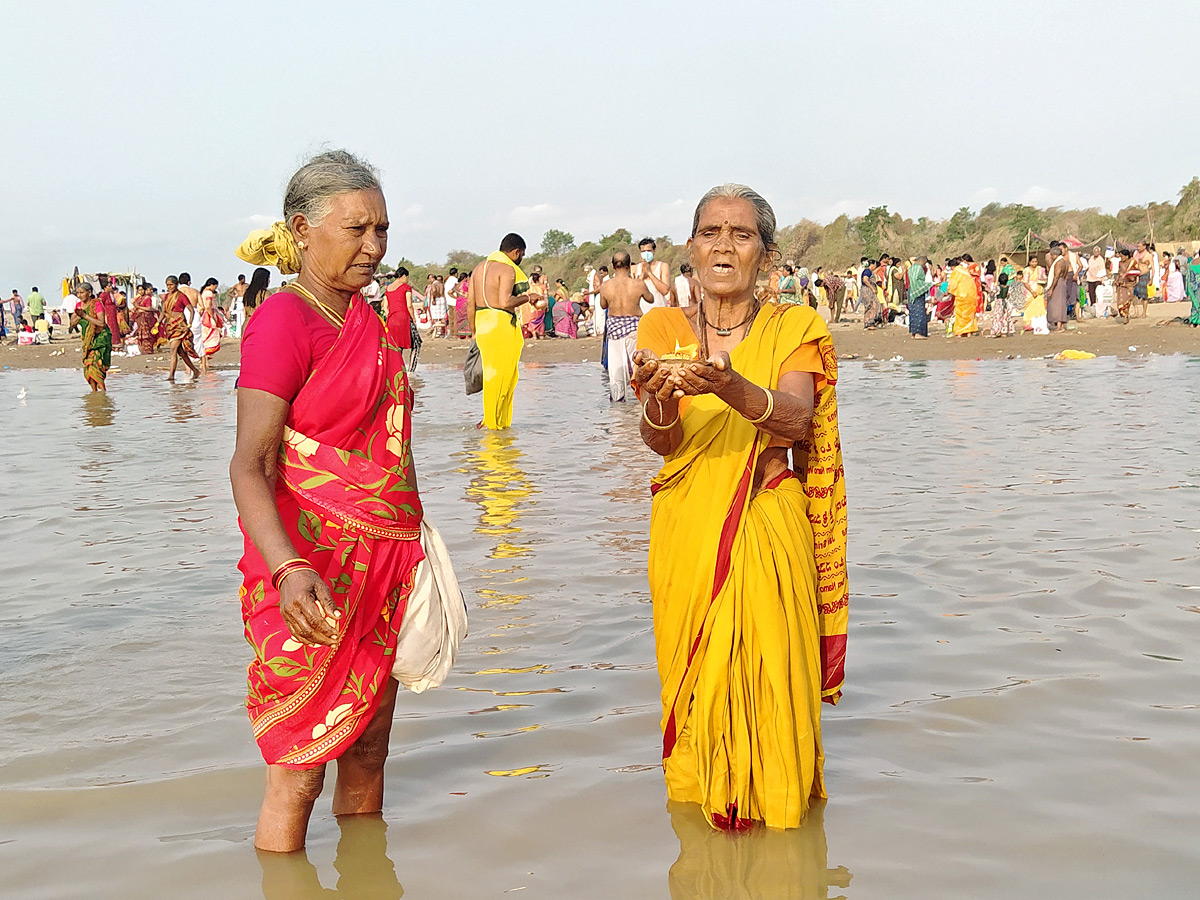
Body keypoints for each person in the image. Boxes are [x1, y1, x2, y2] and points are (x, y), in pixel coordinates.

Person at [631, 183, 847, 831]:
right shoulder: (661, 328)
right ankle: (704, 821)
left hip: (765, 517)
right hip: (685, 528)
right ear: (691, 249)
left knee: (771, 678)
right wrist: (661, 394)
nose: (724, 244)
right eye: (710, 232)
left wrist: (727, 384)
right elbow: (661, 441)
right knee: (696, 680)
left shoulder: (795, 327)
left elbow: (798, 422)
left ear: (768, 256)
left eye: (741, 234)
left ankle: (779, 830)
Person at [230, 149, 424, 854]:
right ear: (301, 229)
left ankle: (366, 874)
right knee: (299, 770)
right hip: (307, 573)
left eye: (382, 230)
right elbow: (250, 465)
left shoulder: (367, 322)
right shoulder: (285, 321)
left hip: (381, 570)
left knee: (368, 750)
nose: (373, 247)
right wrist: (286, 570)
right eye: (356, 229)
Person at [466, 233, 531, 430]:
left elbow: (470, 303)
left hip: (482, 323)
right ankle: (496, 424)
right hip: (500, 325)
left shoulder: (478, 268)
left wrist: (474, 331)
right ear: (516, 252)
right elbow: (505, 302)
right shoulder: (508, 269)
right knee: (505, 377)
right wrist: (528, 297)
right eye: (522, 255)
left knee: (491, 376)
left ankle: (489, 419)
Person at [599, 250, 653, 401]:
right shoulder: (638, 284)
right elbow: (650, 298)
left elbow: (603, 305)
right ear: (629, 265)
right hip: (634, 326)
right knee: (639, 368)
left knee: (616, 373)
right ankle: (642, 404)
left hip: (614, 328)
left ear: (612, 266)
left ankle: (617, 409)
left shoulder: (606, 285)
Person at [70, 283, 112, 391]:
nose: (79, 295)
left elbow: (101, 323)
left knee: (97, 366)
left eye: (82, 292)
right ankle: (94, 394)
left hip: (100, 339)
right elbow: (72, 324)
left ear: (89, 293)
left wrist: (85, 316)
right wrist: (78, 317)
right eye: (78, 293)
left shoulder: (96, 304)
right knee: (88, 368)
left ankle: (102, 394)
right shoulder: (78, 306)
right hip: (88, 341)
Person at [162, 275, 201, 381]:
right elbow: (164, 312)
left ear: (176, 284)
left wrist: (189, 324)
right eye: (168, 285)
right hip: (170, 325)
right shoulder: (166, 297)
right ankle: (195, 371)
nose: (169, 287)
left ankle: (171, 376)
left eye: (171, 285)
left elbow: (191, 310)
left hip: (180, 326)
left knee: (173, 349)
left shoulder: (181, 296)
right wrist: (157, 323)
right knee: (181, 353)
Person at [633, 237, 672, 313]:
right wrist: (642, 275)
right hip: (641, 313)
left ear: (654, 251)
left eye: (649, 251)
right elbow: (633, 292)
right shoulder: (634, 268)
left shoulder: (663, 266)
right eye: (643, 251)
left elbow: (665, 291)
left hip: (659, 311)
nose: (646, 253)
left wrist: (650, 273)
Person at [947, 257, 979, 336]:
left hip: (962, 295)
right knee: (970, 313)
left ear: (952, 266)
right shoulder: (965, 270)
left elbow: (952, 285)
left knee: (961, 314)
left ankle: (961, 331)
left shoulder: (956, 272)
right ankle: (969, 331)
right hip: (972, 294)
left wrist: (948, 292)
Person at [1044, 246, 1069, 333]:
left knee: (1056, 304)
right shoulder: (1065, 261)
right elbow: (1066, 276)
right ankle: (1060, 325)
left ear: (1055, 255)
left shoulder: (1059, 262)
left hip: (1058, 283)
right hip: (1062, 282)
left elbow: (1056, 276)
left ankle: (1059, 326)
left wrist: (1051, 288)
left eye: (1052, 255)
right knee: (1061, 303)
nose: (1051, 257)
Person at [199, 277, 223, 367]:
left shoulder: (203, 293)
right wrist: (212, 317)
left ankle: (204, 361)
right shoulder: (208, 293)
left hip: (204, 316)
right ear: (212, 285)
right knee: (211, 338)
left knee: (206, 338)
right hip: (208, 316)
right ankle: (204, 361)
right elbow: (208, 306)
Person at [131, 284, 160, 355]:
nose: (140, 292)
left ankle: (148, 349)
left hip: (145, 318)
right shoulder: (138, 298)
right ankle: (142, 349)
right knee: (140, 333)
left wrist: (138, 307)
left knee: (146, 333)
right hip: (139, 318)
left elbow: (149, 308)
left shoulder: (147, 298)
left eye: (141, 290)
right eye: (139, 290)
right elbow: (135, 307)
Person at [907, 256, 931, 338]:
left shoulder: (911, 268)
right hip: (917, 291)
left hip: (911, 291)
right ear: (922, 261)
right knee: (919, 312)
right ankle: (918, 333)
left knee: (913, 312)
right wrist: (929, 285)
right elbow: (916, 281)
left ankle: (914, 332)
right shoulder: (918, 268)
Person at [1085, 246, 1106, 313]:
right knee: (1091, 294)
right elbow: (1088, 267)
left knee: (1098, 295)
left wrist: (1103, 280)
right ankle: (1092, 306)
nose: (1095, 253)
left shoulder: (1100, 260)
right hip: (1090, 279)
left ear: (1099, 252)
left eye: (1097, 251)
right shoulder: (1091, 258)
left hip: (1098, 279)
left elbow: (1102, 270)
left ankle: (1099, 308)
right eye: (1094, 251)